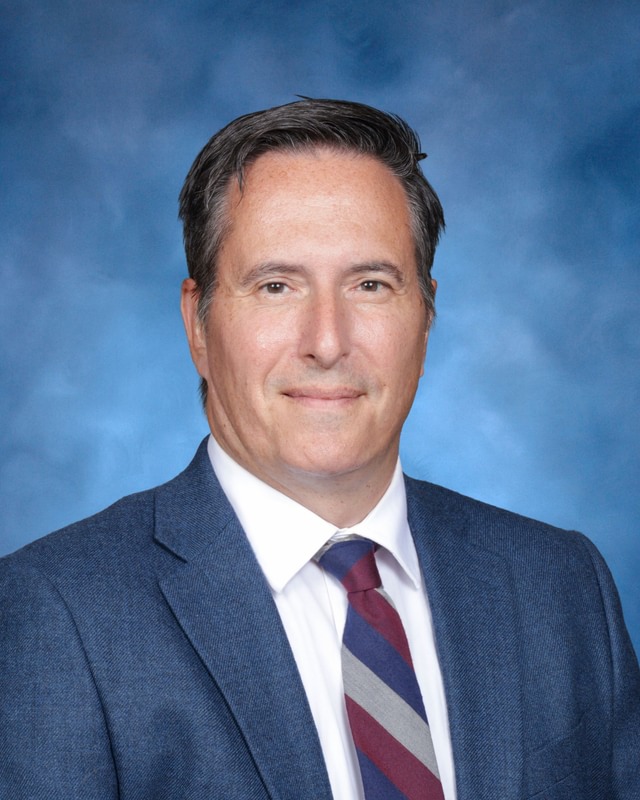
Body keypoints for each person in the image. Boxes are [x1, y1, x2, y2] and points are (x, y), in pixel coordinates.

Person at [0, 99, 638, 800]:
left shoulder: (561, 586)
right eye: (277, 287)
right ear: (198, 324)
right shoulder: (57, 614)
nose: (328, 342)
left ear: (425, 317)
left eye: (371, 285)